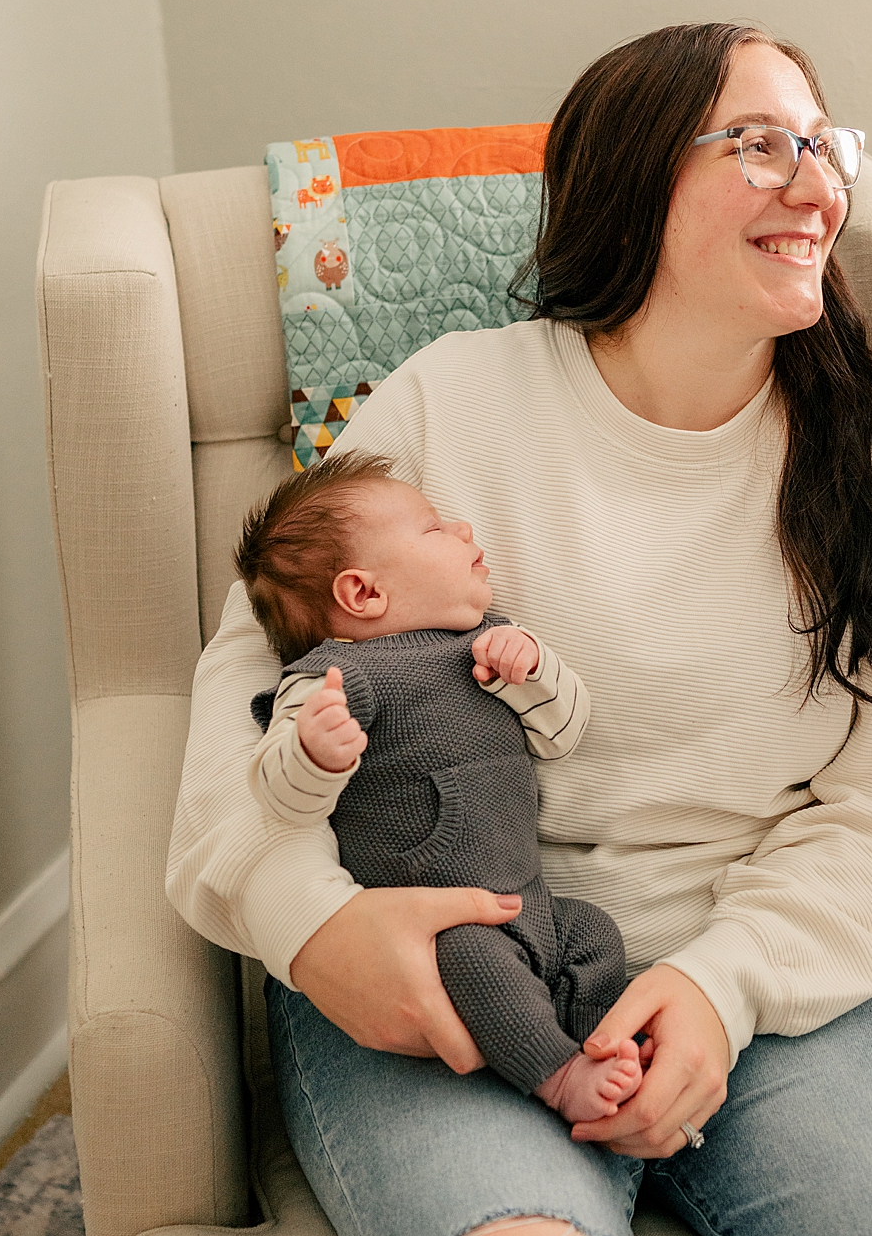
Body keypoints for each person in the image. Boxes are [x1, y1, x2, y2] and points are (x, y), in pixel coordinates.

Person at [167, 21, 872, 1236]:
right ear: (634, 183)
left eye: (821, 143)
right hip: (453, 949)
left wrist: (723, 985)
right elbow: (248, 693)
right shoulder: (452, 405)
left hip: (770, 958)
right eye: (760, 142)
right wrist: (316, 925)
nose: (816, 181)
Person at [236, 453, 645, 1126]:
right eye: (432, 530)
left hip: (531, 902)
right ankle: (557, 1073)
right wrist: (314, 750)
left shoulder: (490, 639)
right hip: (441, 922)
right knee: (481, 970)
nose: (460, 529)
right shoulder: (335, 678)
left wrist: (533, 671)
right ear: (363, 593)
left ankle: (598, 1045)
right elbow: (279, 799)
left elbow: (563, 733)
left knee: (595, 937)